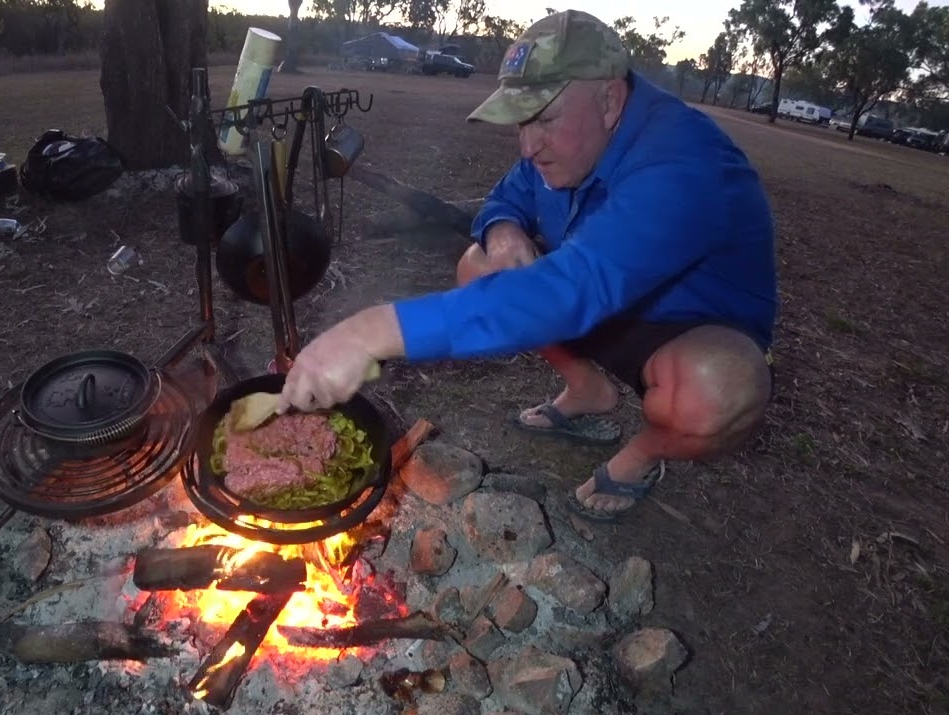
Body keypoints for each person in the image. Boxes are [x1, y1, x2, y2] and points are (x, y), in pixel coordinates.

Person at [275, 9, 778, 523]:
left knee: (721, 388)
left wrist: (369, 332)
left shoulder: (684, 164)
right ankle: (587, 389)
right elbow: (507, 195)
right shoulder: (569, 142)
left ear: (610, 100)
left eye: (544, 118)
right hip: (592, 306)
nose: (527, 144)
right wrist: (502, 228)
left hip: (682, 327)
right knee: (481, 264)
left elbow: (574, 290)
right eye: (522, 120)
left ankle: (643, 455)